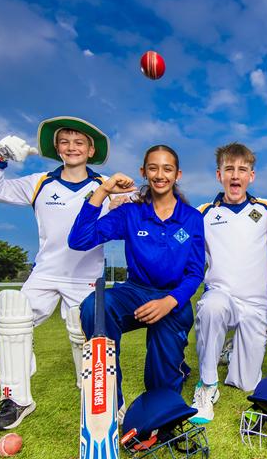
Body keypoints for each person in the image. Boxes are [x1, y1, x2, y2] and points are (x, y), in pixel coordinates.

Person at [0, 116, 112, 431]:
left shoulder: (105, 185)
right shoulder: (40, 181)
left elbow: (136, 210)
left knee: (87, 336)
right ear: (57, 148)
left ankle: (97, 397)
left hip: (87, 277)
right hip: (46, 273)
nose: (71, 147)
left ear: (91, 149)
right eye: (64, 142)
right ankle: (16, 399)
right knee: (11, 325)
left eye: (79, 142)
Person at [68, 144, 205, 413]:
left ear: (177, 174)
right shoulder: (131, 212)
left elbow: (194, 273)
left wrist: (169, 302)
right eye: (153, 168)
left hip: (172, 300)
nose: (160, 175)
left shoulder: (191, 218)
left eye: (167, 169)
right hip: (136, 292)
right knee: (95, 306)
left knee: (160, 395)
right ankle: (109, 403)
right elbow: (79, 240)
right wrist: (104, 190)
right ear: (143, 172)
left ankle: (174, 365)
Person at [190, 143, 267, 424]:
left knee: (245, 382)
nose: (235, 175)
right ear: (219, 175)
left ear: (252, 175)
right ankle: (207, 386)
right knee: (212, 307)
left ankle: (229, 349)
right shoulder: (202, 213)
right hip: (221, 296)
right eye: (229, 169)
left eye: (242, 170)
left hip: (256, 304)